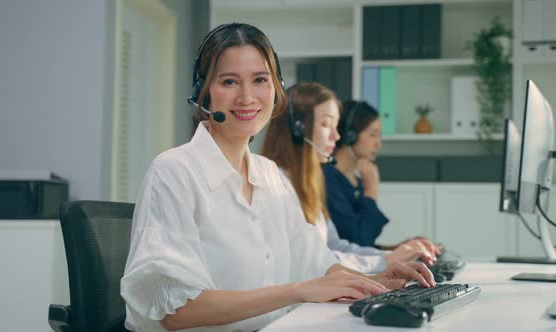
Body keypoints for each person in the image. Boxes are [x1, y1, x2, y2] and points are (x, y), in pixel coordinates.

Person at [120, 23, 435, 332]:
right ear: (203, 93)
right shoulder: (174, 172)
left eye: (260, 80)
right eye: (229, 82)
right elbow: (176, 311)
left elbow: (317, 263)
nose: (247, 97)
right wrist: (297, 291)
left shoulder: (270, 176)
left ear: (276, 88)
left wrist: (379, 284)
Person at [261, 83, 437, 274]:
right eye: (326, 124)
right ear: (298, 129)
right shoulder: (276, 184)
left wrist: (393, 255)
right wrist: (385, 260)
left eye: (336, 126)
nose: (337, 136)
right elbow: (315, 260)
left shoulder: (309, 183)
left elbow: (336, 246)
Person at [323, 100, 441, 253]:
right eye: (373, 135)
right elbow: (356, 242)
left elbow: (360, 247)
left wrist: (399, 249)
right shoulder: (327, 178)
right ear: (349, 136)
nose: (378, 144)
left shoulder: (355, 182)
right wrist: (371, 191)